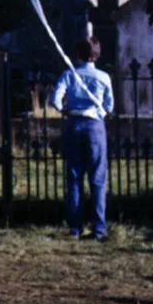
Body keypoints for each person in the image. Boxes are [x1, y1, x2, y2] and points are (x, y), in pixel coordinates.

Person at [49, 36, 114, 241]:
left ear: (78, 55)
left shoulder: (70, 74)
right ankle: (99, 228)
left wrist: (65, 110)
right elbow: (109, 106)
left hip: (74, 124)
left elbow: (55, 98)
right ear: (97, 54)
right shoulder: (104, 77)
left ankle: (75, 228)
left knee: (75, 177)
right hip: (95, 126)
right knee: (97, 178)